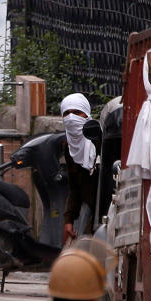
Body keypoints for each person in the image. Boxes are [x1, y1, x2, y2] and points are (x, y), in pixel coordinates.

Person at [60, 94, 99, 245]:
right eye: (66, 114)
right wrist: (69, 219)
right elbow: (74, 187)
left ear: (86, 114)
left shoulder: (99, 140)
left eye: (76, 113)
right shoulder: (69, 147)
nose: (71, 118)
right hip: (88, 209)